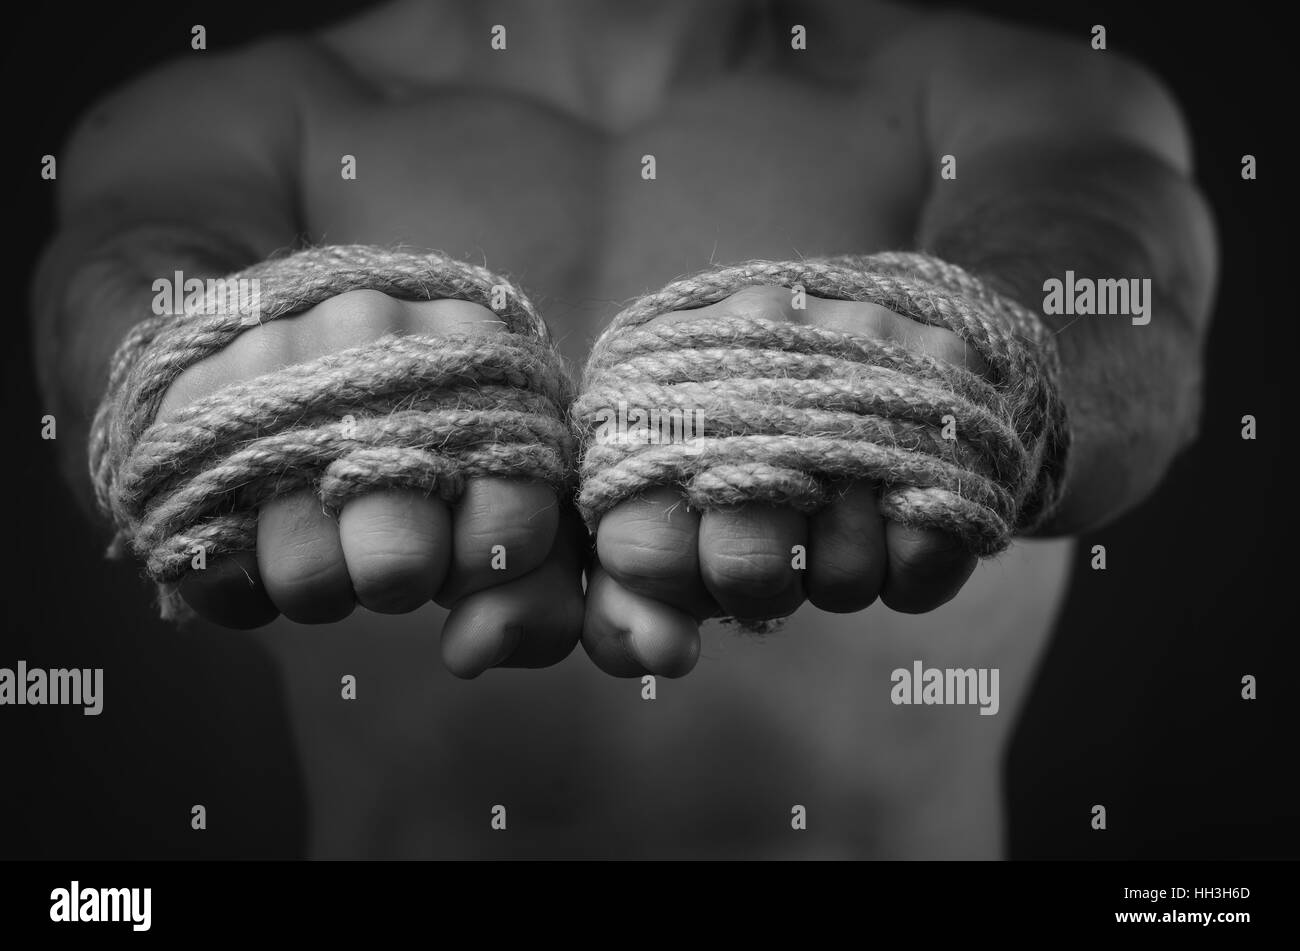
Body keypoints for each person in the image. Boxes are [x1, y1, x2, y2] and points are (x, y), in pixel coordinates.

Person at [32, 0, 1216, 858]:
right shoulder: (230, 112)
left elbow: (1119, 303)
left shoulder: (1015, 89)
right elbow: (112, 316)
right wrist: (223, 380)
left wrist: (950, 378)